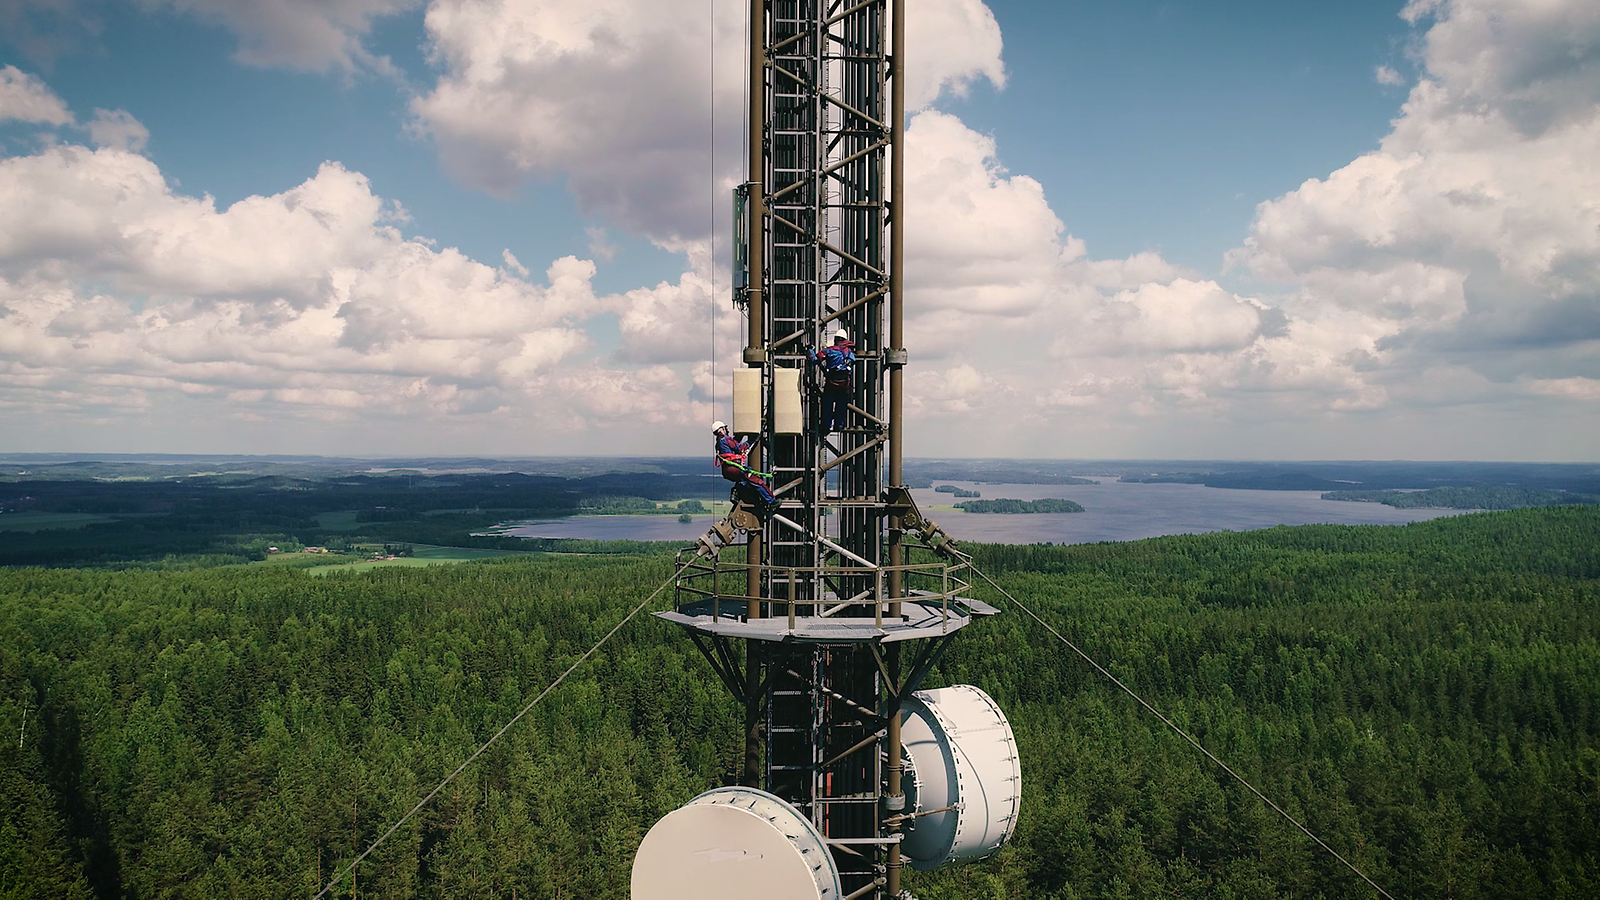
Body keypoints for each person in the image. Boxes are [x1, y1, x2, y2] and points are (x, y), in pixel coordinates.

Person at [712, 421, 777, 513]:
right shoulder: (726, 440)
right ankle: (772, 502)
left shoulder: (718, 443)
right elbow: (740, 448)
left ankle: (737, 493)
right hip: (734, 469)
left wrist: (740, 436)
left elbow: (733, 445)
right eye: (725, 428)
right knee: (757, 482)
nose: (727, 430)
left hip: (727, 471)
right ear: (721, 430)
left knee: (744, 481)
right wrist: (751, 441)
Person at [807, 327, 856, 433]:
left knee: (827, 404)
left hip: (831, 383)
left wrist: (810, 350)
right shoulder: (849, 352)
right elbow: (852, 363)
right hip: (844, 384)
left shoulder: (829, 350)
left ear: (836, 339)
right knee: (841, 405)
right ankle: (839, 425)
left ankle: (826, 425)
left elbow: (815, 359)